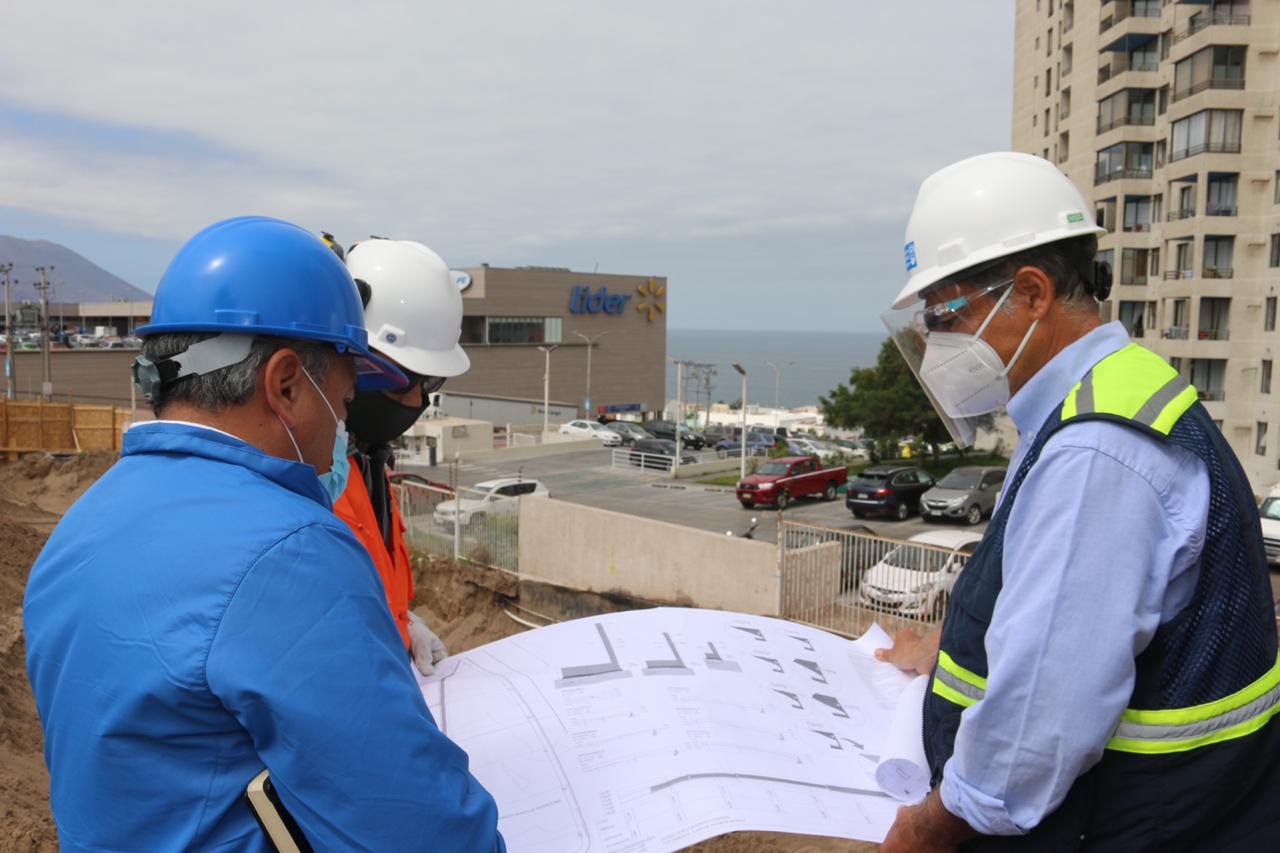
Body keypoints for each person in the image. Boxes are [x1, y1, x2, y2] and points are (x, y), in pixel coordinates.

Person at [23, 216, 504, 851]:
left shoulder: (83, 522)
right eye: (344, 391)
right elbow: (420, 827)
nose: (342, 425)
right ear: (284, 384)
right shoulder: (290, 551)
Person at [875, 153, 1280, 851]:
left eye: (946, 313)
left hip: (1131, 826)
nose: (935, 342)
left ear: (1032, 293)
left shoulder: (1095, 453)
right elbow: (1068, 619)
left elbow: (1038, 728)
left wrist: (924, 828)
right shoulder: (1103, 394)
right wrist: (952, 651)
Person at [332, 237, 470, 675]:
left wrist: (401, 623)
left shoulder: (365, 463)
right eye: (402, 379)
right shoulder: (304, 480)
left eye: (429, 383)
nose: (416, 401)